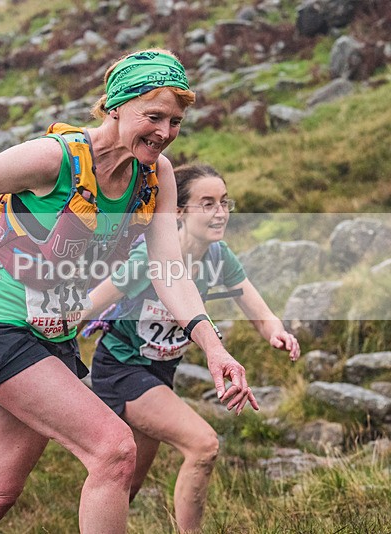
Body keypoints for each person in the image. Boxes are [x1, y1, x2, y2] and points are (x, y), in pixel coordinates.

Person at [0, 49, 258, 533]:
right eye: (153, 116)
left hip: (52, 338)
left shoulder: (156, 175)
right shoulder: (55, 159)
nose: (165, 133)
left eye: (175, 121)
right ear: (115, 106)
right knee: (114, 449)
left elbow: (167, 267)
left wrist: (213, 347)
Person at [86, 163, 300, 532]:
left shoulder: (218, 258)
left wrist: (276, 333)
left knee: (125, 483)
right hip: (121, 368)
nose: (221, 212)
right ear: (179, 211)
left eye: (225, 202)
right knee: (202, 445)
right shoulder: (147, 258)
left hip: (159, 374)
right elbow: (90, 304)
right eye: (208, 203)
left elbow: (258, 310)